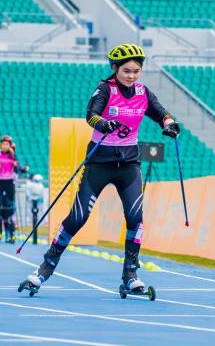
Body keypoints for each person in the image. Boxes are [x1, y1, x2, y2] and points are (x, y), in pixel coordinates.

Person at [21, 43, 180, 294]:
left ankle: (130, 275)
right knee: (78, 218)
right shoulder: (105, 89)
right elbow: (91, 115)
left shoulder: (143, 92)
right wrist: (103, 123)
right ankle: (45, 268)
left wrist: (169, 124)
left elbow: (162, 113)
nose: (132, 76)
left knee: (135, 219)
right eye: (126, 71)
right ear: (115, 68)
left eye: (136, 71)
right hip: (99, 164)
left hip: (128, 165)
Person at [0, 135, 29, 244]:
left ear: (10, 145)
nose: (5, 146)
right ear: (0, 145)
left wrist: (22, 168)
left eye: (7, 144)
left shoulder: (13, 156)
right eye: (3, 144)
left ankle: (11, 234)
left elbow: (19, 169)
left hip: (10, 182)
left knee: (10, 207)